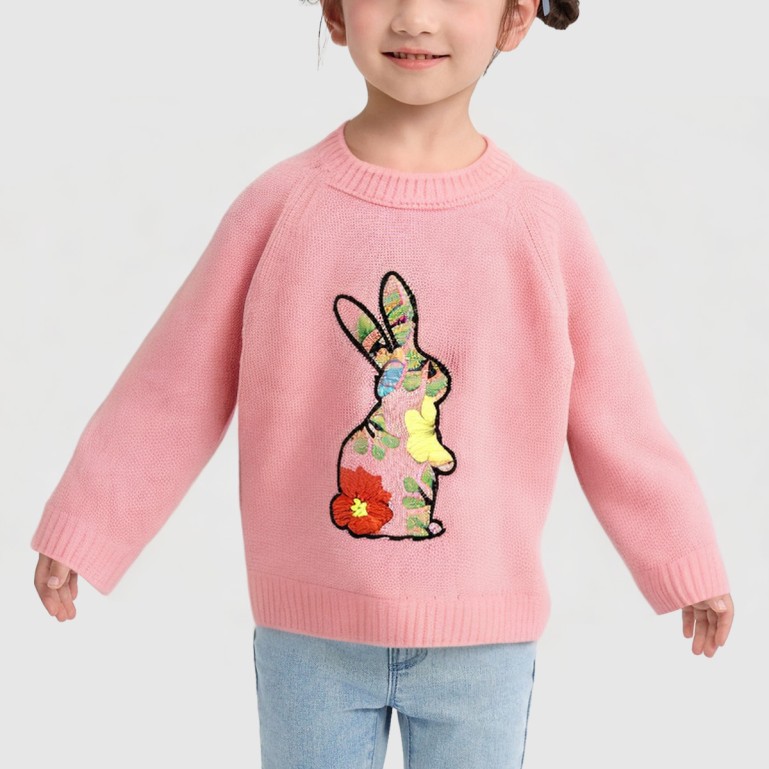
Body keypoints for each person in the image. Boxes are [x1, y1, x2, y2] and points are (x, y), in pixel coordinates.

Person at [32, 1, 734, 767]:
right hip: (309, 635)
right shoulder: (280, 205)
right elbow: (176, 383)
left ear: (515, 18)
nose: (414, 17)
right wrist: (89, 522)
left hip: (483, 639)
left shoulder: (541, 224)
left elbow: (616, 418)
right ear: (335, 12)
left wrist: (682, 557)